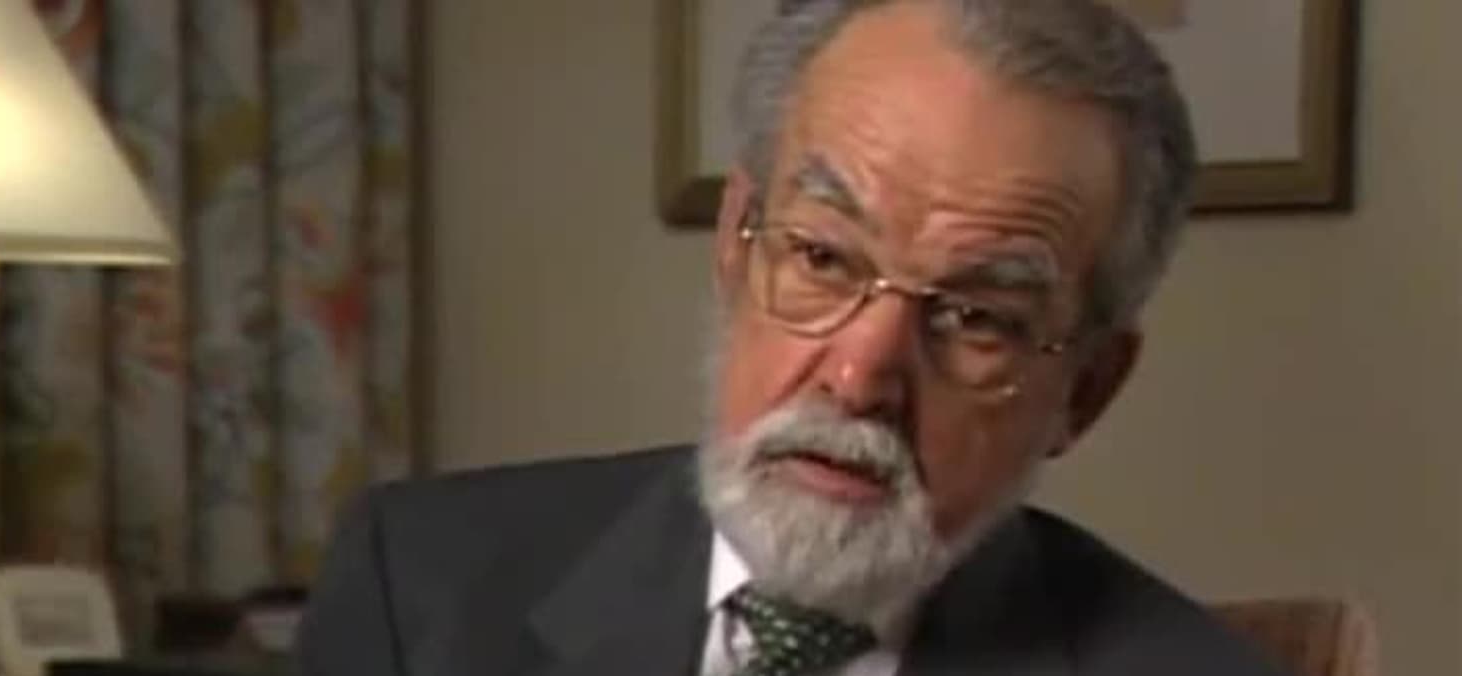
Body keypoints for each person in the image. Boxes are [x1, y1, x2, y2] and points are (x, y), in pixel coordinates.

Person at [297, 0, 1288, 674]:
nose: (859, 377)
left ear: (1086, 389)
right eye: (822, 257)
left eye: (979, 317)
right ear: (739, 244)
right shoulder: (415, 585)